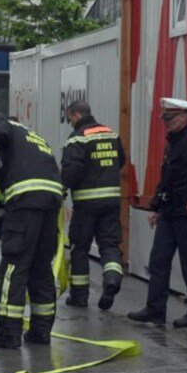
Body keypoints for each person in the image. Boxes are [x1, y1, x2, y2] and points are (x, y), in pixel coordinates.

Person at [127, 98, 187, 328]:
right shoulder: (173, 144)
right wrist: (156, 207)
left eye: (170, 119)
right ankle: (155, 309)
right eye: (165, 119)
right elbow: (168, 180)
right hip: (170, 213)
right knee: (158, 261)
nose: (166, 124)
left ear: (183, 117)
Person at [0, 112, 64, 348]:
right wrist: (8, 217)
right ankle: (40, 332)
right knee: (41, 268)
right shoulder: (33, 138)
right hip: (50, 201)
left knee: (14, 266)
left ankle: (9, 333)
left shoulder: (3, 124)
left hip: (27, 200)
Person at [60, 100, 126, 310]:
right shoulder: (111, 134)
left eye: (70, 118)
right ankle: (112, 280)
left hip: (86, 204)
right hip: (111, 201)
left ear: (76, 116)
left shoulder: (77, 138)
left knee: (80, 248)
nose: (70, 123)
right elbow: (120, 160)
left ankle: (79, 296)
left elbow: (72, 170)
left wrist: (60, 189)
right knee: (109, 245)